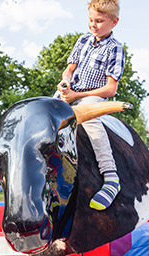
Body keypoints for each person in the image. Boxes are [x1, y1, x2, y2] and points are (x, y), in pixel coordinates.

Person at [55, 0, 124, 210]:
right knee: (45, 113)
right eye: (91, 20)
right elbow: (69, 70)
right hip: (70, 92)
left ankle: (111, 177)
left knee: (91, 122)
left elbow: (111, 89)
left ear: (114, 22)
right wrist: (65, 83)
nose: (93, 25)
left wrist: (79, 94)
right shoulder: (83, 40)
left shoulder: (115, 48)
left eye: (99, 21)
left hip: (92, 96)